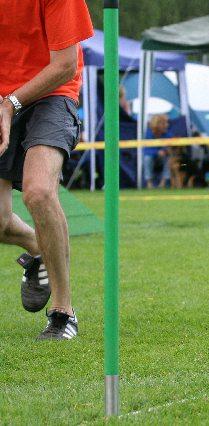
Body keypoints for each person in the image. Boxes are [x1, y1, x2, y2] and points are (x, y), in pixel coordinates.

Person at [0, 0, 93, 339]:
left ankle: (63, 313)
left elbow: (65, 65)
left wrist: (10, 104)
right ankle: (37, 249)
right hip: (1, 99)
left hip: (53, 94)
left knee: (39, 192)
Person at [144, 114, 173, 189]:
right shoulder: (149, 133)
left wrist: (165, 150)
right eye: (164, 123)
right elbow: (146, 150)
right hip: (152, 157)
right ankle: (149, 183)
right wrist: (157, 152)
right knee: (147, 158)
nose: (167, 125)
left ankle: (163, 183)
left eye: (167, 123)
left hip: (163, 158)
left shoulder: (168, 133)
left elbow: (170, 147)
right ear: (157, 124)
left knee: (169, 159)